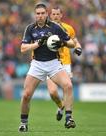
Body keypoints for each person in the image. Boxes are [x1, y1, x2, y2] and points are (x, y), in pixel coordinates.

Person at [18, 3, 82, 132]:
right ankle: (24, 123)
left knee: (68, 86)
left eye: (42, 13)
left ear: (47, 14)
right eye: (38, 14)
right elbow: (23, 48)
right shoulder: (30, 28)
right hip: (37, 64)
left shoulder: (55, 27)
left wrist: (62, 42)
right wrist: (37, 44)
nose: (40, 16)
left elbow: (71, 43)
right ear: (35, 15)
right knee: (26, 95)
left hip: (53, 63)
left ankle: (69, 118)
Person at [47, 6, 82, 122]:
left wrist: (78, 48)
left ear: (61, 15)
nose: (55, 16)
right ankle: (60, 106)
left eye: (58, 14)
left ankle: (69, 116)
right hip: (50, 62)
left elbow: (75, 41)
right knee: (52, 92)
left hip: (65, 63)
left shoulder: (68, 28)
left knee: (67, 88)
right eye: (53, 14)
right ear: (50, 15)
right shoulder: (46, 28)